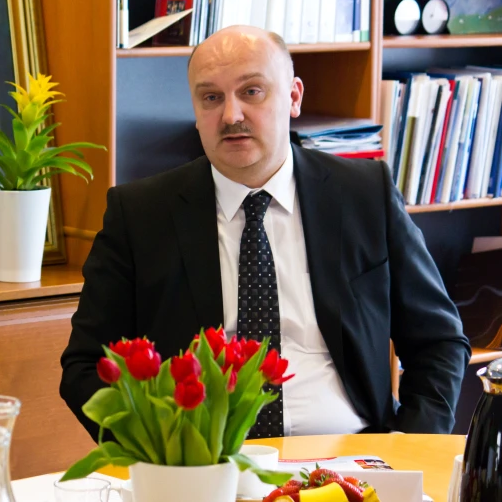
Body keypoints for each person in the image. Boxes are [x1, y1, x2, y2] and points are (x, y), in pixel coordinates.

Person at [60, 26, 470, 441]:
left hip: (354, 459)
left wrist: (413, 448)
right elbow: (85, 366)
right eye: (211, 98)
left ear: (293, 97)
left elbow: (438, 341)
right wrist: (158, 454)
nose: (231, 116)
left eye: (252, 92)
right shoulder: (140, 214)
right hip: (206, 469)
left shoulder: (365, 194)